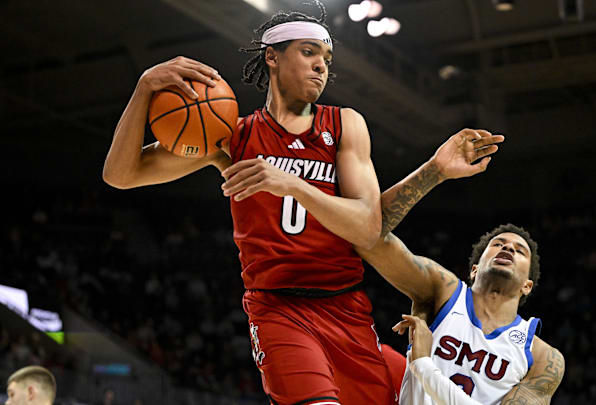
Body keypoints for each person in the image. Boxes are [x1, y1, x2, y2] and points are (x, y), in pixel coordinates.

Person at [101, 1, 504, 404]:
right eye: (309, 53)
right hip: (277, 307)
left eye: (326, 58)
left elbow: (367, 226)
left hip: (346, 306)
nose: (321, 66)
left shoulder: (345, 124)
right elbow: (120, 175)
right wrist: (145, 87)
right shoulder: (231, 135)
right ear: (272, 57)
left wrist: (292, 185)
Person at [357, 165, 565, 404]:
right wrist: (435, 171)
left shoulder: (542, 357)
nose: (508, 248)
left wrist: (424, 365)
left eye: (520, 251)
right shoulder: (442, 290)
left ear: (527, 286)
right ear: (474, 270)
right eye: (498, 244)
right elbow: (369, 238)